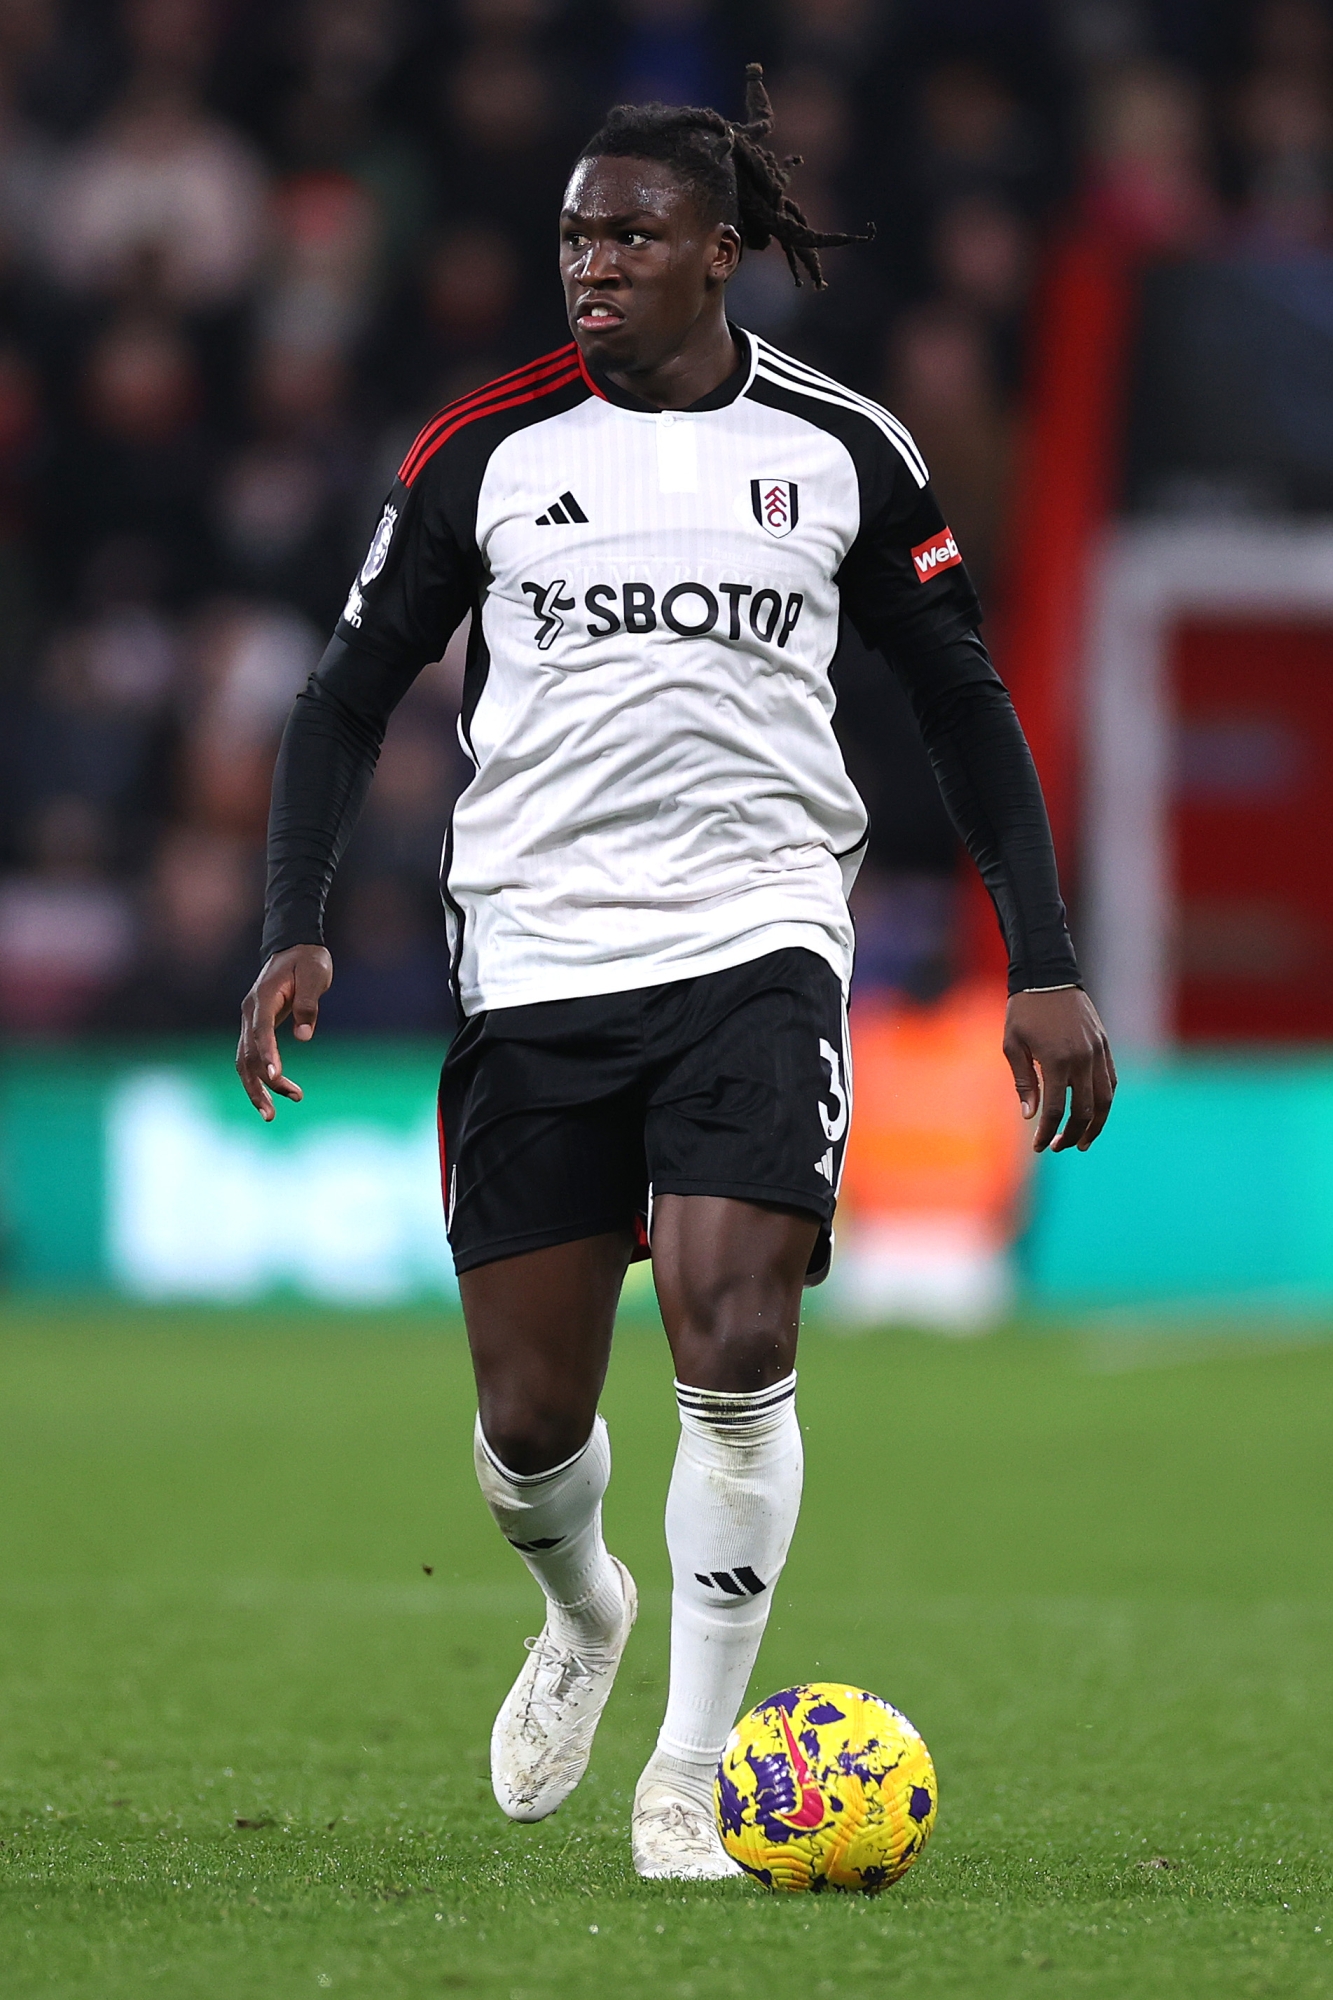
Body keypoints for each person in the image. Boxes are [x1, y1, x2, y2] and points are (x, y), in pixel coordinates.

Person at [236, 66, 1116, 1881]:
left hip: (756, 938)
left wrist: (1042, 958)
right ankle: (583, 1611)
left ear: (721, 254)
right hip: (538, 955)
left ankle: (690, 1776)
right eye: (573, 234)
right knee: (530, 1423)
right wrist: (295, 918)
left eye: (629, 235)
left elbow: (962, 700)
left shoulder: (842, 452)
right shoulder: (485, 449)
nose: (592, 263)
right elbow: (340, 697)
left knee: (735, 1335)